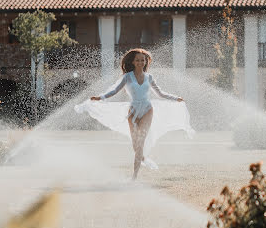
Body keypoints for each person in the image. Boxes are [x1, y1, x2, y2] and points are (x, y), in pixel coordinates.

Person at [74, 48, 194, 180]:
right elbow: (114, 91)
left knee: (141, 141)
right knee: (135, 144)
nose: (140, 62)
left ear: (146, 61)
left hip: (147, 110)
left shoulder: (149, 77)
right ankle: (142, 157)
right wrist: (100, 98)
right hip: (132, 111)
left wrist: (175, 98)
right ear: (133, 62)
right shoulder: (127, 77)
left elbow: (160, 93)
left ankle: (134, 176)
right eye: (137, 60)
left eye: (143, 60)